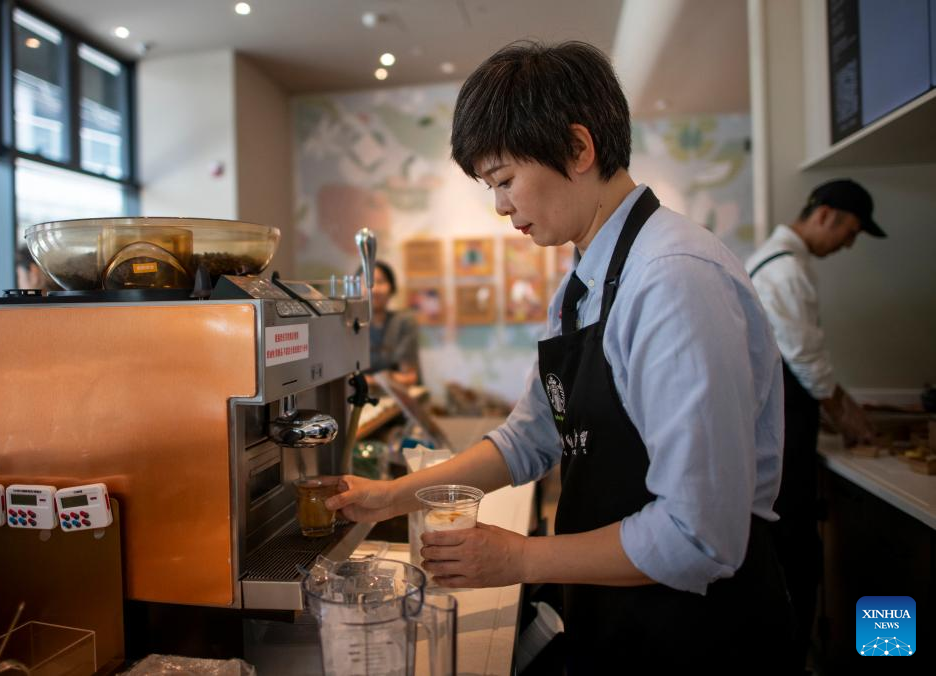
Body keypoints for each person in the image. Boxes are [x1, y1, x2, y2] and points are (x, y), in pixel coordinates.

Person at [327, 41, 792, 672]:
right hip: (620, 609)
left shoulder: (674, 280)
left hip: (697, 629)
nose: (499, 206)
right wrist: (391, 497)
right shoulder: (584, 282)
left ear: (578, 148)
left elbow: (699, 535)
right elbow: (529, 438)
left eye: (505, 180)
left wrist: (520, 559)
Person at [745, 178, 883, 672]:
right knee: (793, 557)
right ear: (825, 214)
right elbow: (807, 362)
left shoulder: (778, 261)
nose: (848, 243)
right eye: (850, 230)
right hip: (781, 446)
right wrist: (853, 419)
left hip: (782, 436)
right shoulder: (784, 270)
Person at [367, 261, 421, 387]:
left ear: (391, 288)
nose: (374, 289)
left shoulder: (404, 322)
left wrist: (366, 381)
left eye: (380, 282)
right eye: (367, 283)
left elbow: (408, 377)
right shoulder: (350, 326)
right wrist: (388, 377)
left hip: (398, 399)